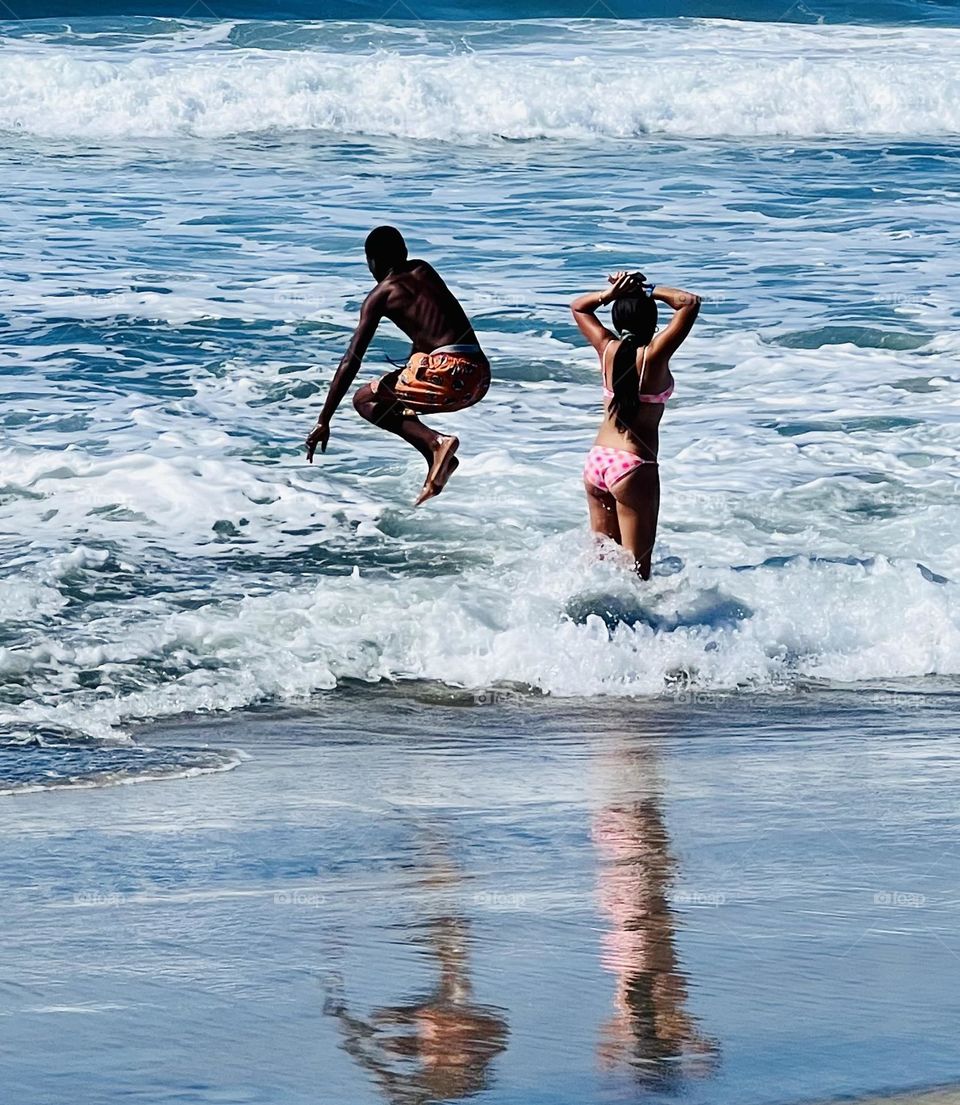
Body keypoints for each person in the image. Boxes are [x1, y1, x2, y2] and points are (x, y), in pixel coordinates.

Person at [306, 226, 490, 506]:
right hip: (479, 378)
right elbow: (431, 327)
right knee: (396, 390)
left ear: (372, 262)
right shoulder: (423, 269)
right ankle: (439, 460)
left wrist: (324, 420)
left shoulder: (380, 296)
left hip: (447, 374)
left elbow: (351, 360)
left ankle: (436, 443)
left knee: (364, 399)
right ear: (404, 252)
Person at [571, 272, 700, 579]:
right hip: (632, 466)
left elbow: (578, 307)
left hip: (597, 461)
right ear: (652, 322)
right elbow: (690, 303)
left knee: (600, 563)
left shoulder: (607, 349)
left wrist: (610, 294)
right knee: (638, 572)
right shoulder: (653, 356)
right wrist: (648, 289)